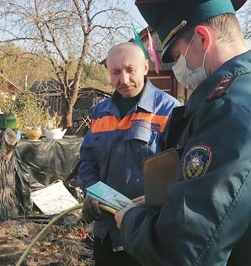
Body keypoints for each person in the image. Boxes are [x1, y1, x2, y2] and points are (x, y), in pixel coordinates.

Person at [114, 0, 251, 265]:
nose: (178, 68)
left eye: (178, 56)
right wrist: (166, 202)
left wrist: (131, 221)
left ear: (203, 39)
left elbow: (187, 249)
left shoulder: (231, 111)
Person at [77, 42, 180, 265]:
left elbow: (180, 173)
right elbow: (87, 160)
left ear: (145, 67)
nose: (123, 80)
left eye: (130, 70)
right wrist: (91, 190)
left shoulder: (170, 111)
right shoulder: (100, 112)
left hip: (149, 232)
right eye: (115, 72)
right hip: (106, 231)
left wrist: (153, 202)